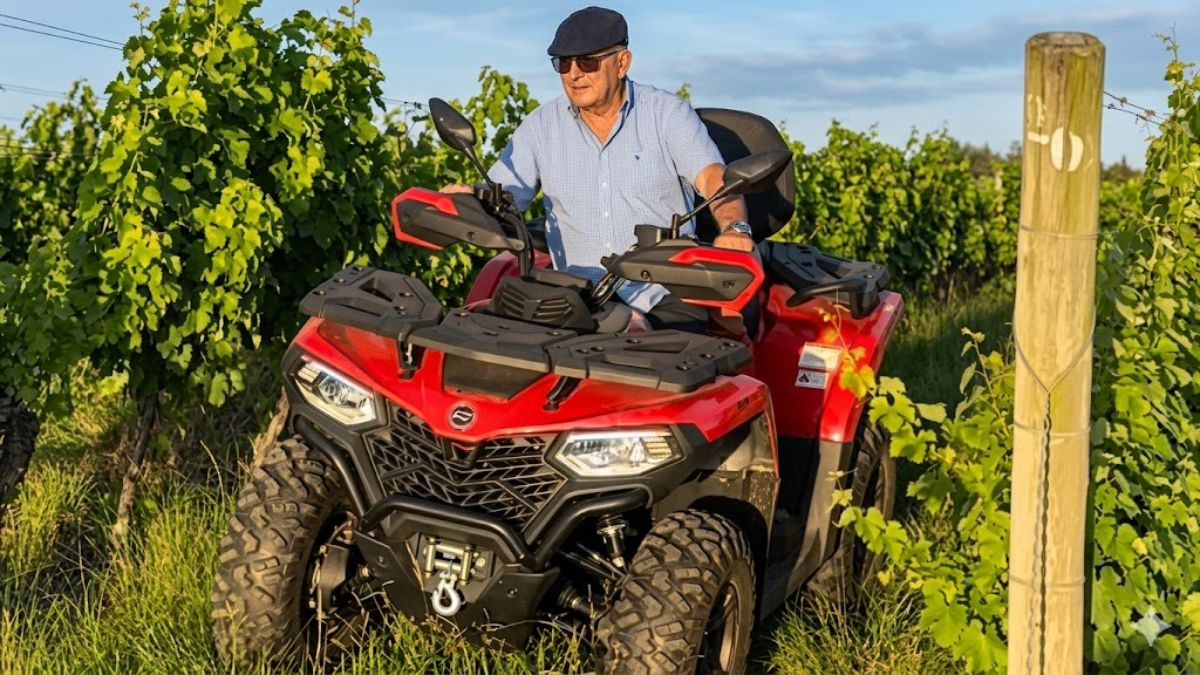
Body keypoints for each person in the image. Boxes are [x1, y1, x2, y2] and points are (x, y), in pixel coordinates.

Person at [441, 6, 753, 334]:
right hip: (576, 295)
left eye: (587, 61)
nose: (574, 74)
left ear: (622, 63)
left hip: (664, 292)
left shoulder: (667, 115)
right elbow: (504, 195)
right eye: (564, 63)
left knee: (649, 360)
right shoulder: (541, 127)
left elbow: (713, 177)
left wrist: (735, 227)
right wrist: (471, 200)